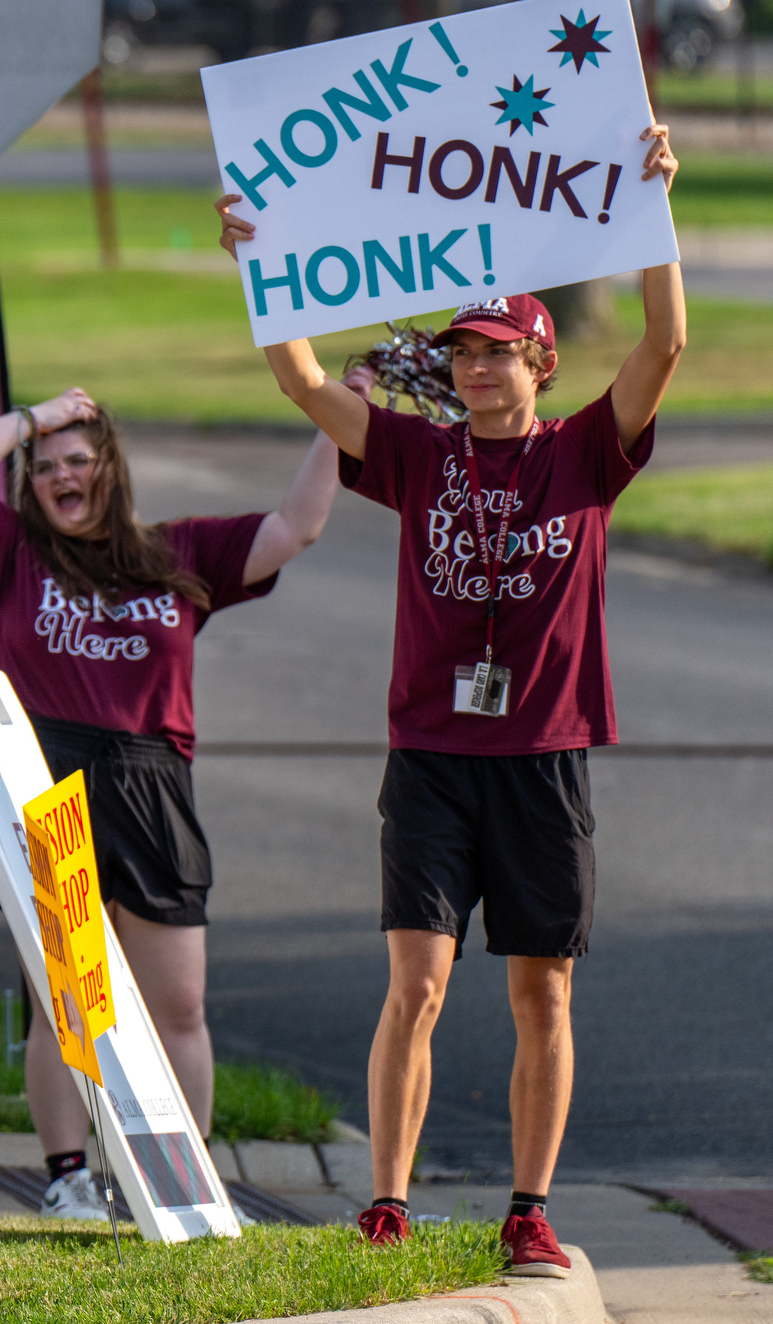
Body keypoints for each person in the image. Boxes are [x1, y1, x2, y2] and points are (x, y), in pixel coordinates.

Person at [217, 123, 683, 1275]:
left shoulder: (582, 456)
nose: (475, 369)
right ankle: (385, 1201)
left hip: (542, 758)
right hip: (427, 754)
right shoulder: (420, 457)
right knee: (415, 981)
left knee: (540, 992)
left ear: (539, 366)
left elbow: (664, 341)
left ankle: (527, 1205)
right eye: (460, 354)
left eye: (497, 353)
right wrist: (259, 263)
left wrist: (652, 211)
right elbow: (301, 379)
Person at [0, 380, 361, 1218]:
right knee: (69, 1007)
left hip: (156, 784)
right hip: (52, 784)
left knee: (179, 1004)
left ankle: (178, 1177)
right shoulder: (12, 554)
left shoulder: (179, 552)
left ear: (111, 469)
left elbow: (296, 526)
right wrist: (36, 417)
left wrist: (337, 410)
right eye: (46, 465)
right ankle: (67, 1177)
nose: (61, 475)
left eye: (79, 459)